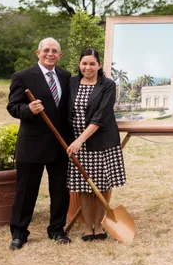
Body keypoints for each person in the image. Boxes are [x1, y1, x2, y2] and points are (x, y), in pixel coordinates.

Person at [7, 37, 72, 250]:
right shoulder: (23, 77)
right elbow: (13, 106)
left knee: (60, 192)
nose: (50, 53)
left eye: (55, 51)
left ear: (60, 55)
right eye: (46, 50)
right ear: (38, 53)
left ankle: (56, 230)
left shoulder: (66, 77)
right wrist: (28, 110)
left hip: (60, 145)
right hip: (32, 144)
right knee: (25, 191)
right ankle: (19, 233)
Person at [66, 48, 126, 241]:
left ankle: (99, 225)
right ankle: (87, 227)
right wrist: (75, 140)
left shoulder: (108, 85)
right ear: (79, 64)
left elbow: (101, 115)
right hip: (77, 143)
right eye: (84, 63)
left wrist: (80, 139)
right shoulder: (71, 83)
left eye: (92, 63)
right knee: (83, 185)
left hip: (101, 142)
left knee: (102, 183)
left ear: (99, 65)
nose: (88, 67)